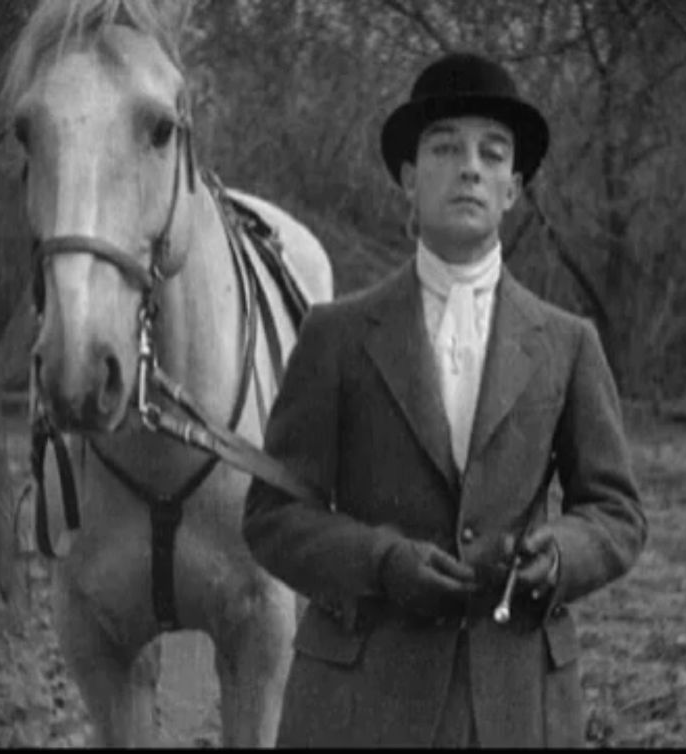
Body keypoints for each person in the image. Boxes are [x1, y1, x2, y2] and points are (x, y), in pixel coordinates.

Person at [242, 50, 646, 748]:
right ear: (408, 176)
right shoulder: (335, 335)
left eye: (492, 155)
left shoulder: (567, 343)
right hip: (361, 699)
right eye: (445, 148)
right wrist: (379, 561)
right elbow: (274, 516)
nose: (470, 168)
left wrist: (559, 557)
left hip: (518, 697)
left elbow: (616, 513)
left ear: (513, 188)